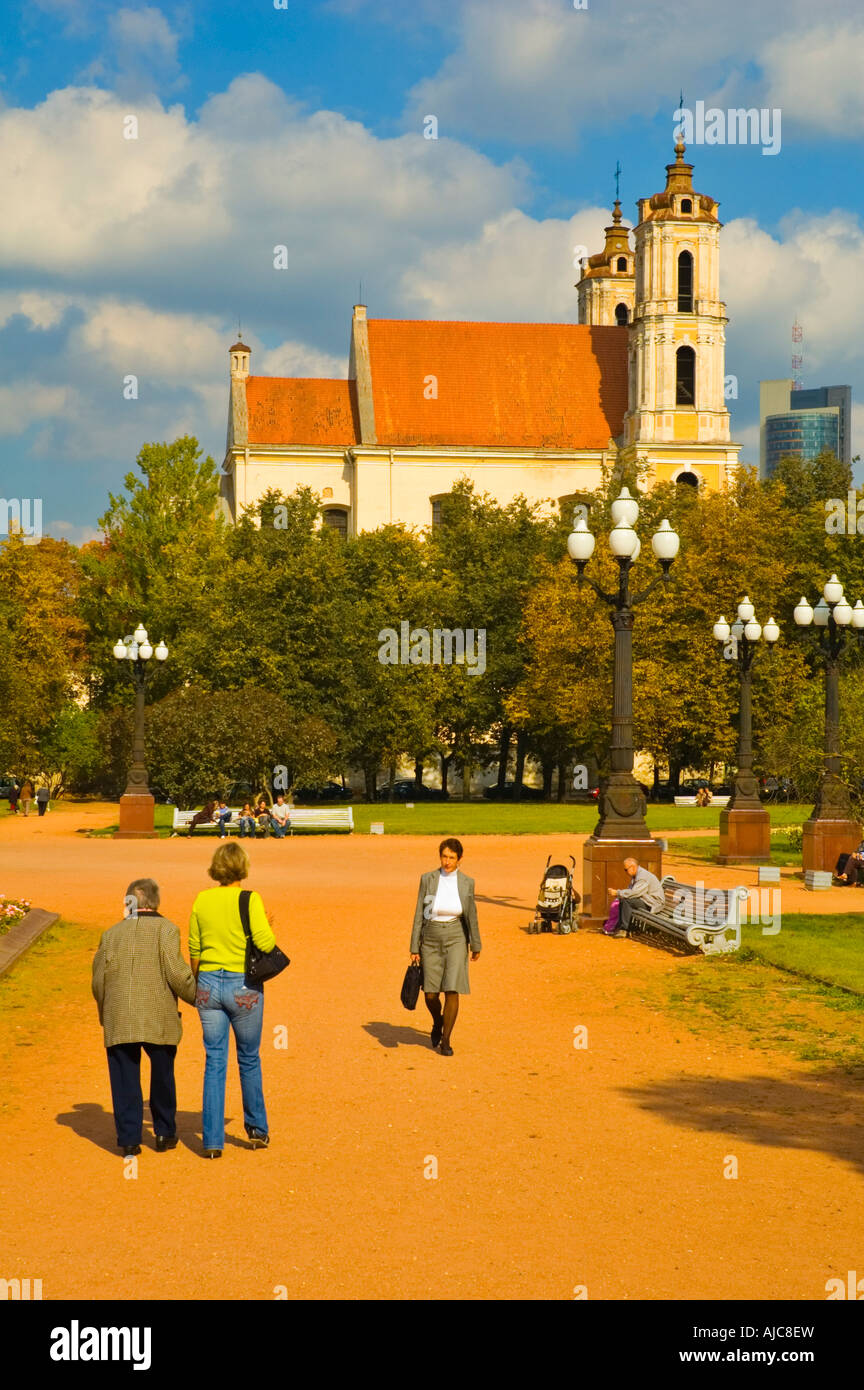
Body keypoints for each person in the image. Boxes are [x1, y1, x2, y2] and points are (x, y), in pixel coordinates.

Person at [91, 878, 197, 1156]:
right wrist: (198, 997)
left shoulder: (111, 934)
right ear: (155, 902)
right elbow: (176, 974)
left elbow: (98, 981)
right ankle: (164, 1132)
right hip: (157, 1014)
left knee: (124, 1077)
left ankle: (128, 1139)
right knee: (162, 1074)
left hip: (120, 1015)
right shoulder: (167, 930)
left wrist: (105, 1013)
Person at [189, 841, 281, 1156]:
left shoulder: (201, 900)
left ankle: (212, 1142)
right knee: (249, 1057)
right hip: (243, 986)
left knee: (214, 1060)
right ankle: (256, 1129)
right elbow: (266, 944)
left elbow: (194, 949)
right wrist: (267, 925)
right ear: (242, 867)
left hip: (208, 984)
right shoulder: (250, 899)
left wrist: (200, 982)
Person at [410, 837, 481, 1057]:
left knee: (452, 988)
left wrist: (476, 943)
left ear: (460, 859)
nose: (447, 861)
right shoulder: (428, 879)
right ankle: (437, 1022)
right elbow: (419, 914)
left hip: (456, 936)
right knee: (430, 993)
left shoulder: (467, 882)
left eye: (451, 857)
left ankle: (446, 1041)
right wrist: (414, 946)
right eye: (444, 856)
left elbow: (471, 915)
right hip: (430, 937)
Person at [606, 856, 665, 938]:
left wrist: (617, 892)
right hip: (646, 900)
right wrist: (620, 894)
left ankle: (624, 929)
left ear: (633, 867)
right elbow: (631, 891)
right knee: (624, 899)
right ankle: (621, 926)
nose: (625, 872)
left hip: (653, 904)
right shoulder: (637, 875)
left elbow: (634, 893)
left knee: (627, 901)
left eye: (626, 870)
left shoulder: (642, 877)